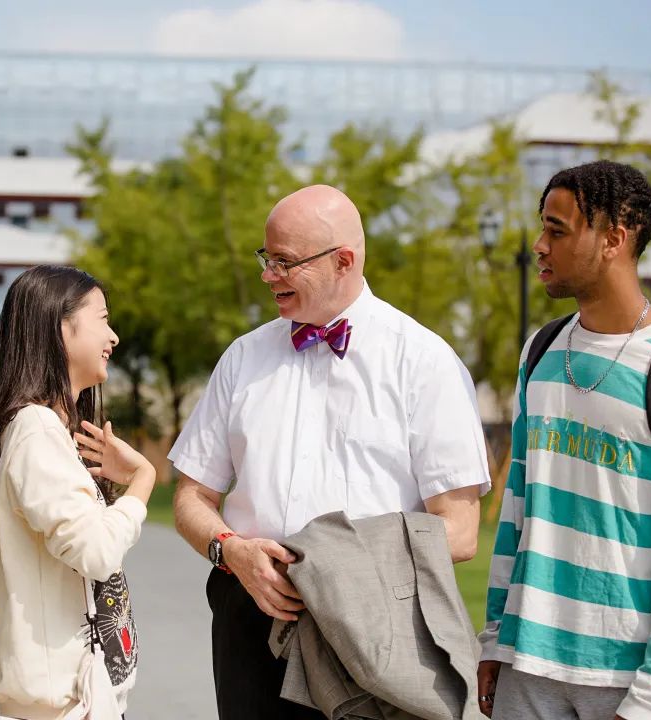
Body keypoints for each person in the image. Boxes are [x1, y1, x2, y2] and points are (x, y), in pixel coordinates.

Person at [169, 184, 492, 720]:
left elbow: (457, 532)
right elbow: (190, 498)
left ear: (343, 261)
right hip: (248, 614)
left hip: (371, 624)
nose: (268, 275)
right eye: (265, 259)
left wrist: (336, 567)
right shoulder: (242, 358)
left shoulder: (425, 362)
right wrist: (232, 550)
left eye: (284, 262)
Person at [477, 161, 651, 720]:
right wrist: (495, 637)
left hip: (631, 683)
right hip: (527, 670)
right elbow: (516, 510)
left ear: (614, 239)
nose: (539, 245)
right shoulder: (540, 352)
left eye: (557, 229)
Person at [0, 265, 155, 720]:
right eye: (102, 318)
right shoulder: (36, 429)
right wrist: (141, 482)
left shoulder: (47, 431)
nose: (114, 336)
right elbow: (97, 551)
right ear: (62, 327)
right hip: (62, 705)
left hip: (77, 696)